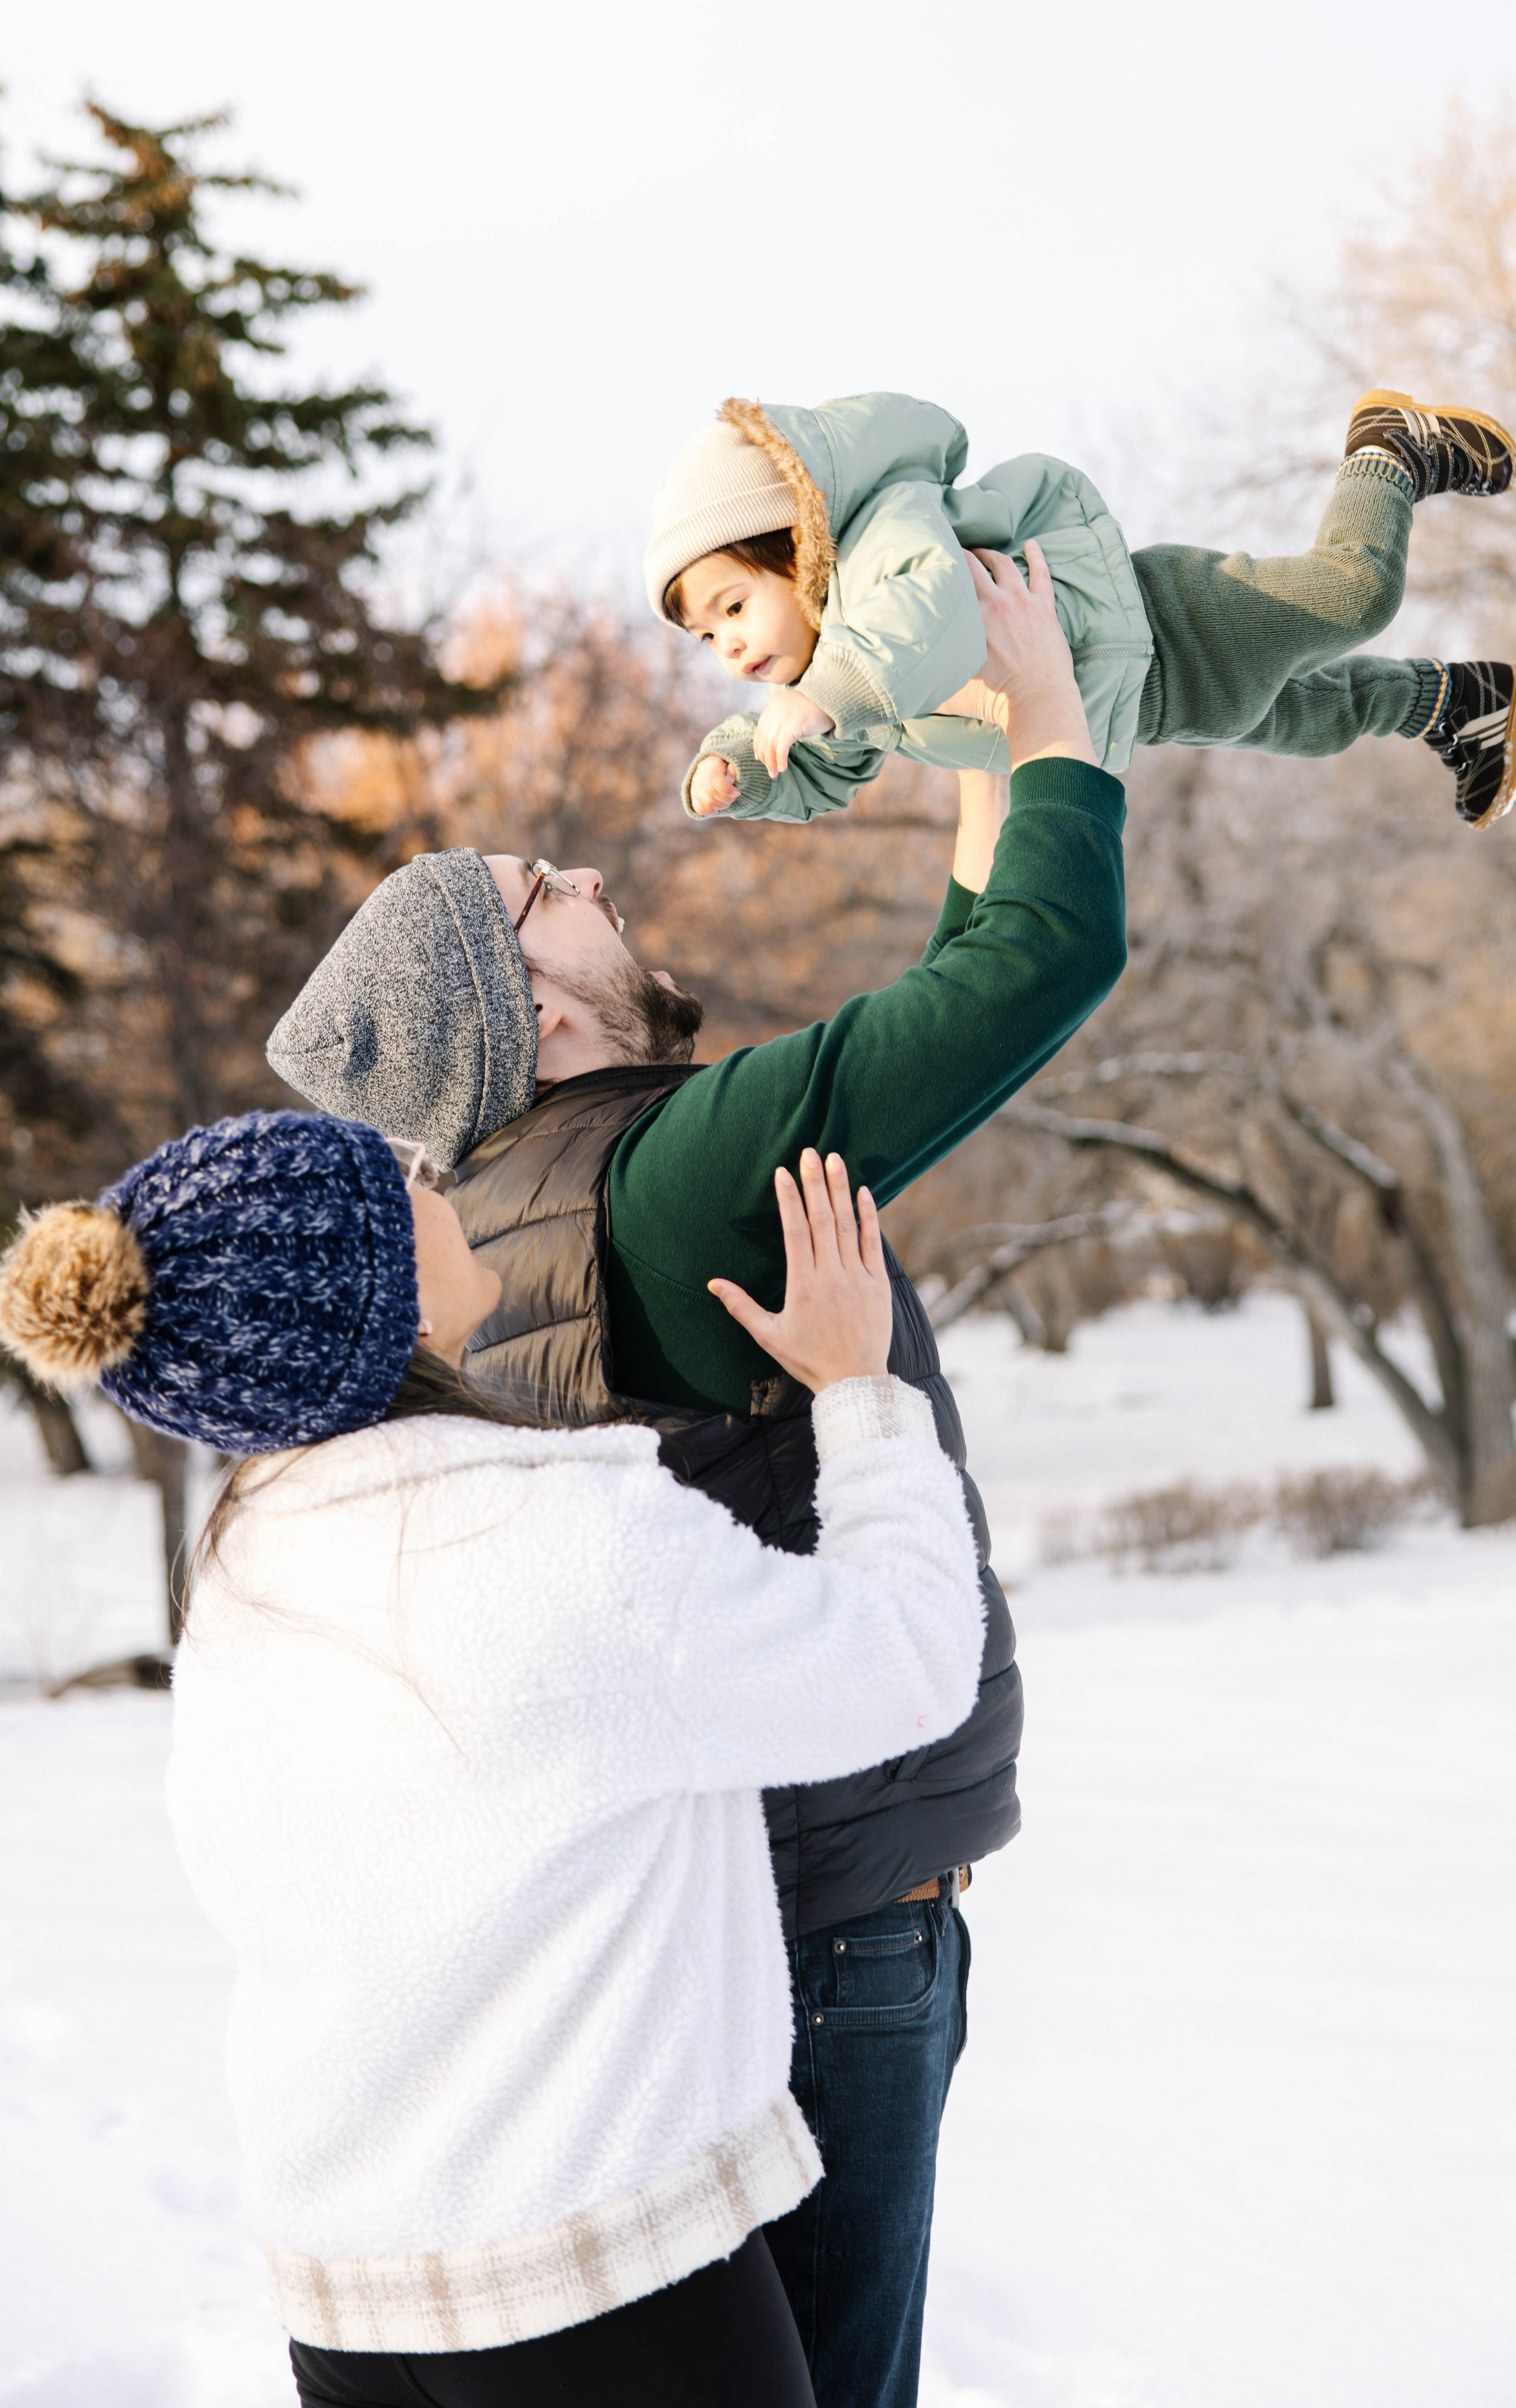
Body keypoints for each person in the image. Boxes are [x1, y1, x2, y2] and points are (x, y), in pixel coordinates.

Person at [264, 544, 1120, 2408]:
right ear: (531, 1016)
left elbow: (942, 988)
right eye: (539, 895)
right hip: (830, 1938)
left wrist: (973, 755)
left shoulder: (486, 1233)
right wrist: (1045, 715)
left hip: (725, 1933)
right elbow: (1029, 968)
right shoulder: (669, 1173)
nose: (587, 878)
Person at [0, 1110, 985, 2408]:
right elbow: (905, 1658)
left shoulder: (246, 1570)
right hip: (595, 2287)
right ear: (370, 1294)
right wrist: (860, 1393)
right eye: (388, 1179)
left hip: (350, 2301)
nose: (428, 1164)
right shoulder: (555, 1536)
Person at [649, 389, 1516, 832]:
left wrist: (826, 693)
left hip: (1169, 622)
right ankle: (1458, 704)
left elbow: (933, 615)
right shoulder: (842, 694)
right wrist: (745, 772)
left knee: (1353, 595)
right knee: (1308, 718)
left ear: (796, 548)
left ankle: (1391, 451)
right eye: (707, 636)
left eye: (734, 606)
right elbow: (821, 772)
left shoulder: (884, 543)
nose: (728, 645)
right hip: (1154, 705)